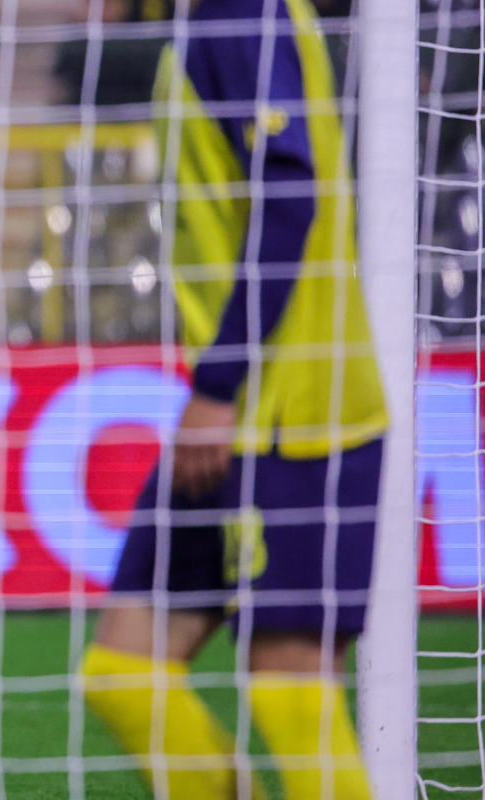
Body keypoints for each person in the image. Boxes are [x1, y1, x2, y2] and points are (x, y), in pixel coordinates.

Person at [80, 0, 387, 798]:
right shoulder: (216, 18)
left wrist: (218, 387)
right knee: (123, 671)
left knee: (289, 683)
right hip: (237, 409)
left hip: (294, 413)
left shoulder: (238, 12)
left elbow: (289, 194)